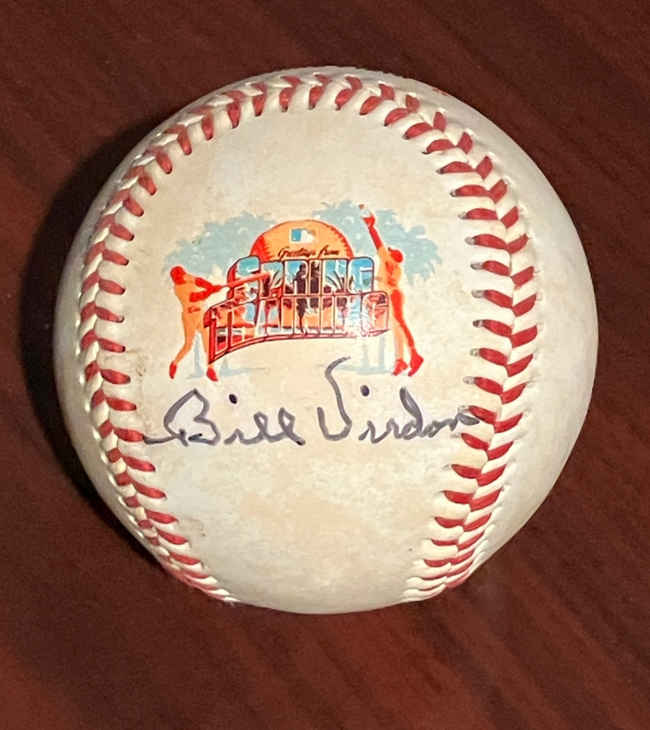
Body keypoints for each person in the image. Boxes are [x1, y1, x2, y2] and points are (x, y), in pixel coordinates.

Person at [360, 206, 423, 376]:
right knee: (396, 328)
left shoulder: (388, 261)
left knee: (400, 325)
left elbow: (378, 243)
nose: (387, 251)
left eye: (390, 251)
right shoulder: (393, 267)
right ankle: (400, 360)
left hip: (393, 295)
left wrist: (371, 227)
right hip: (392, 295)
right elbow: (386, 280)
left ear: (393, 256)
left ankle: (414, 355)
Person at [168, 265, 223, 381]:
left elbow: (200, 281)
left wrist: (210, 286)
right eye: (177, 278)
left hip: (200, 315)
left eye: (181, 276)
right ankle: (174, 363)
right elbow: (196, 297)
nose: (181, 278)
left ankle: (210, 369)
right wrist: (212, 290)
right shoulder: (178, 289)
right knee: (188, 345)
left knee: (208, 343)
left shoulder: (187, 277)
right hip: (189, 317)